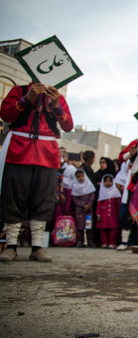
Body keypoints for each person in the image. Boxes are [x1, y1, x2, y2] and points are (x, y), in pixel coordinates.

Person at [0, 82, 73, 262]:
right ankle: (11, 245)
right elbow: (6, 115)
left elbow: (68, 125)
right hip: (19, 147)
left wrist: (56, 106)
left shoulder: (57, 96)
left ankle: (37, 247)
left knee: (43, 198)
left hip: (47, 150)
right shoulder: (20, 90)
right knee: (14, 195)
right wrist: (27, 98)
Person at [71, 169, 96, 247]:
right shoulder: (75, 187)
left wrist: (88, 204)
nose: (81, 178)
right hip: (79, 209)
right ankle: (79, 241)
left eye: (82, 176)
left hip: (88, 209)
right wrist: (82, 205)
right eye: (78, 177)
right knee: (79, 225)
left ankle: (90, 241)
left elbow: (92, 196)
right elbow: (74, 198)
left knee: (89, 225)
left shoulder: (89, 185)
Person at [96, 174, 121, 248]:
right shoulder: (102, 192)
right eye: (106, 181)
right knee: (103, 229)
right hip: (103, 214)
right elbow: (99, 204)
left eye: (110, 181)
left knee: (114, 228)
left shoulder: (116, 192)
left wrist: (120, 213)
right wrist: (98, 214)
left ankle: (112, 242)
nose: (108, 183)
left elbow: (119, 203)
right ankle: (104, 242)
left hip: (113, 214)